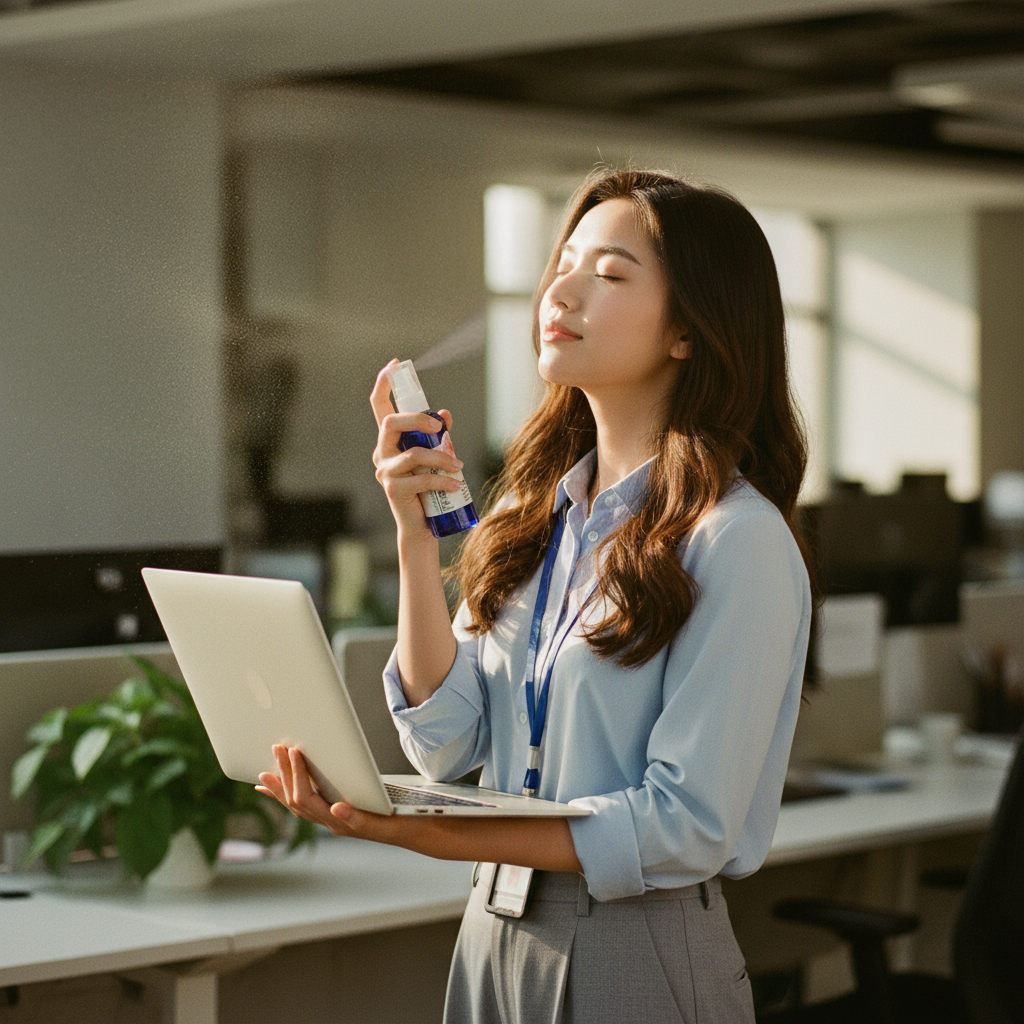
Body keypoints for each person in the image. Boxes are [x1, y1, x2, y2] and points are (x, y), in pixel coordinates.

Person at [257, 168, 814, 1024]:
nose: (563, 287)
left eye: (612, 273)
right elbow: (448, 744)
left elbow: (685, 823)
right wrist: (413, 536)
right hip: (490, 930)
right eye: (566, 262)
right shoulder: (534, 519)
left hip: (637, 943)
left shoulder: (736, 542)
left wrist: (437, 835)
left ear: (690, 333)